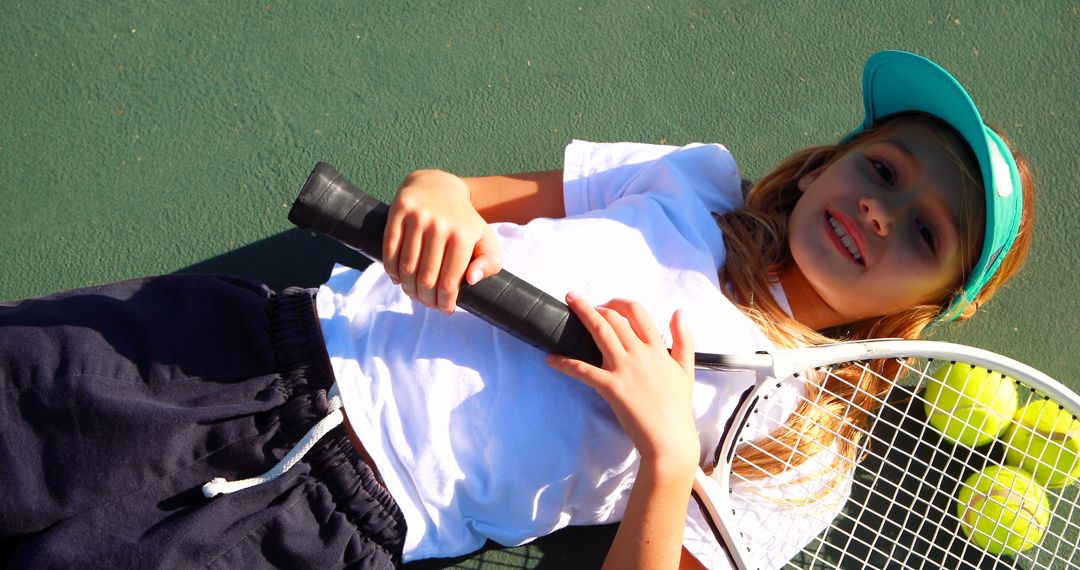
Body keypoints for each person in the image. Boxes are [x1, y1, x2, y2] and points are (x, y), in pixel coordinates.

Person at [0, 50, 1033, 569]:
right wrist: (436, 203)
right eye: (883, 167)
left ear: (928, 309)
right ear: (828, 164)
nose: (879, 211)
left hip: (319, 529)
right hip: (242, 351)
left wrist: (669, 454)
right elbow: (463, 193)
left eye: (926, 233)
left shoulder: (801, 457)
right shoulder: (693, 183)